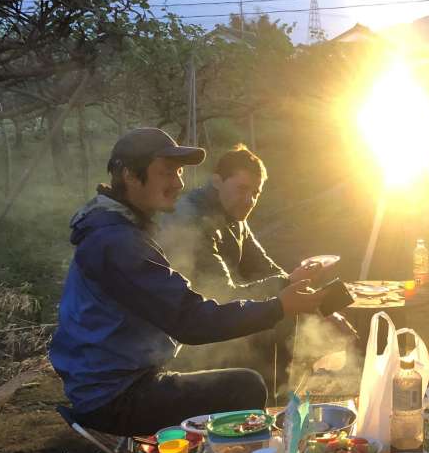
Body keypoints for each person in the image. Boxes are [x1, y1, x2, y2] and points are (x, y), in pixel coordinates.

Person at [49, 128, 327, 436]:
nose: (178, 183)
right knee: (243, 387)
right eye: (167, 173)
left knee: (248, 360)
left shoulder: (125, 228)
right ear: (128, 175)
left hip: (125, 377)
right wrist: (278, 306)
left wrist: (283, 292)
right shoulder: (116, 241)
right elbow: (190, 322)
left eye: (179, 173)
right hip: (115, 396)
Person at [156, 144, 357, 399]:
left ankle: (280, 403)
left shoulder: (235, 218)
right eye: (242, 189)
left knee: (289, 315)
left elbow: (265, 267)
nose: (250, 200)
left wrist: (323, 304)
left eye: (256, 193)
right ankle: (268, 409)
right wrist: (289, 285)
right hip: (190, 336)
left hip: (222, 320)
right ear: (217, 181)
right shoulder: (193, 218)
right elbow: (222, 295)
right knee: (279, 317)